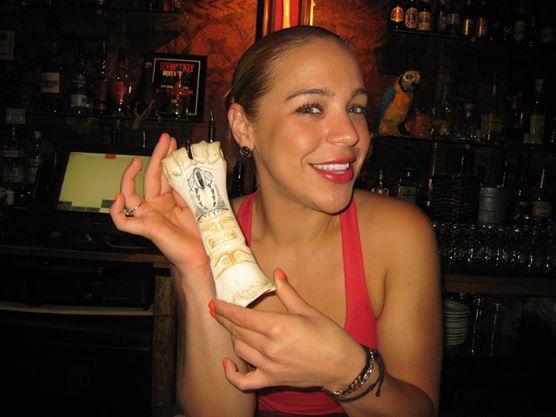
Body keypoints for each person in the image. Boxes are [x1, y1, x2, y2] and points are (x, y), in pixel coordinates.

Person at [110, 25, 442, 417]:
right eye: (311, 108)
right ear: (243, 126)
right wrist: (197, 270)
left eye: (355, 108)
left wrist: (343, 369)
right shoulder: (210, 237)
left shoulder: (401, 234)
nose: (351, 135)